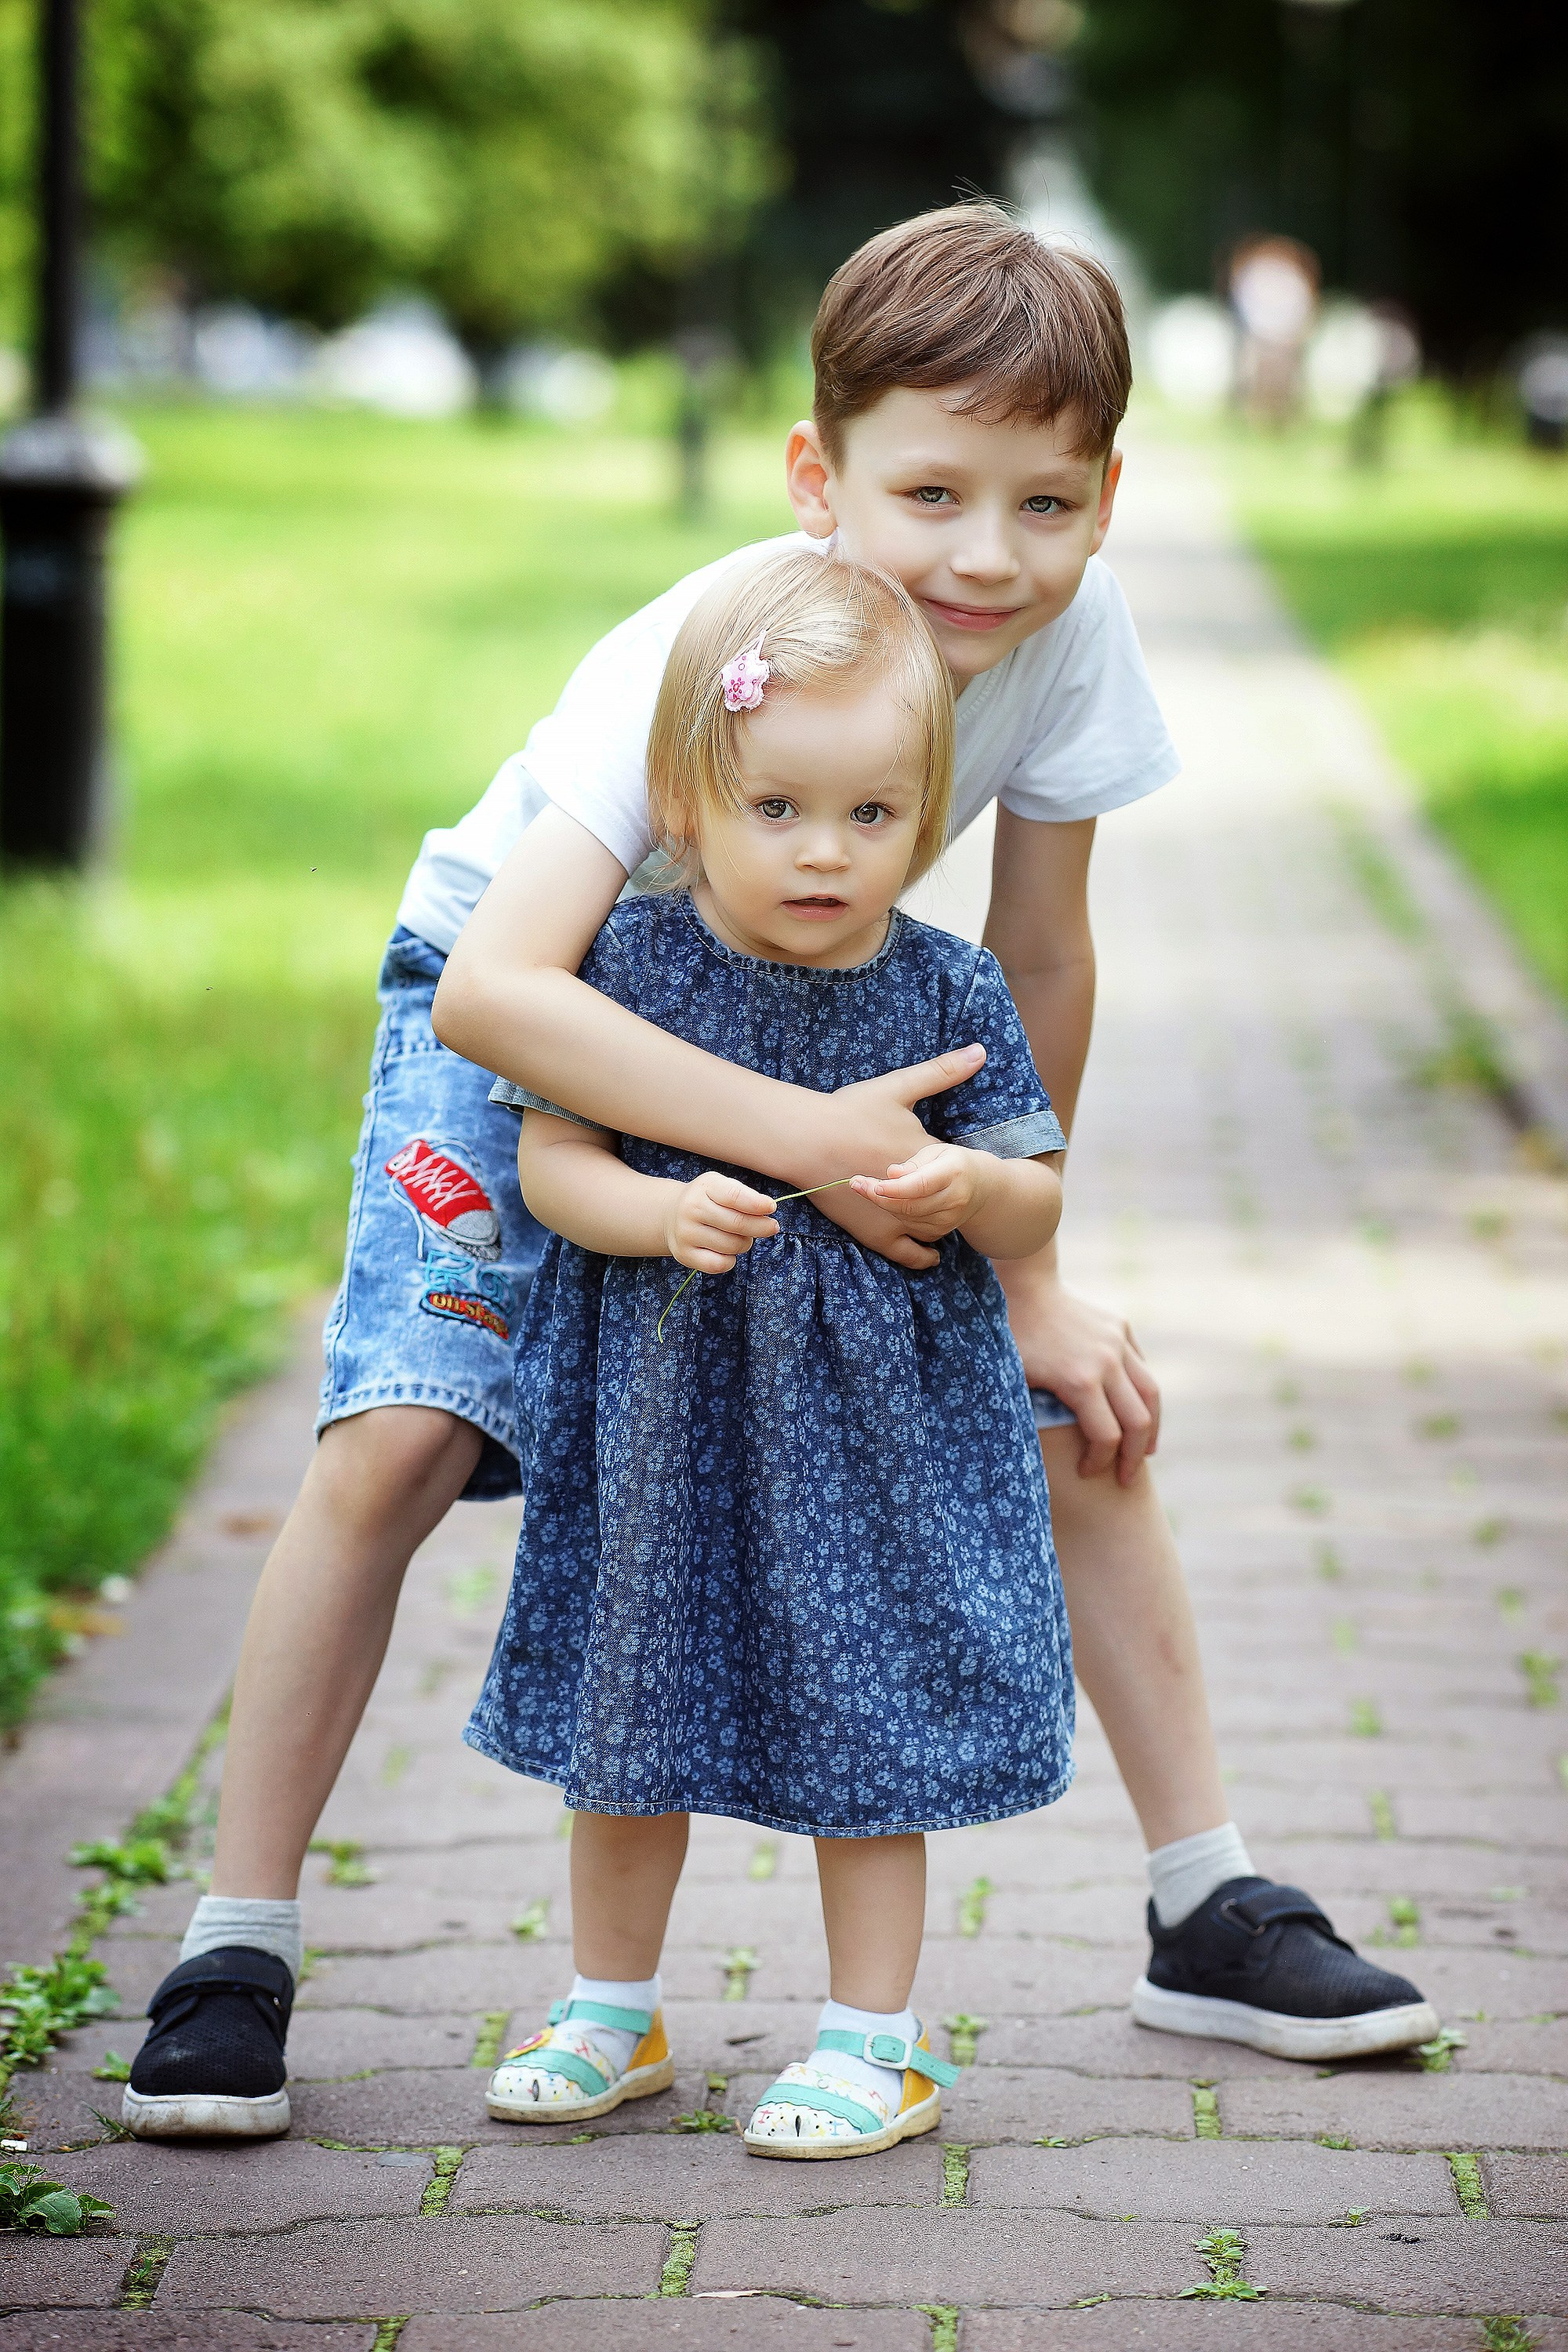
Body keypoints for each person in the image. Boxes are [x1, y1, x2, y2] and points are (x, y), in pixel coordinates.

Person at [124, 202, 1435, 2144]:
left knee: (1063, 1401)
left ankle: (1204, 1898)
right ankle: (234, 1945)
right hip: (546, 1005)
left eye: (1045, 503)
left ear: (1104, 499)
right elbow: (498, 988)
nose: (987, 556)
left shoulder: (1068, 639)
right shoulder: (705, 644)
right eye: (931, 492)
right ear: (819, 479)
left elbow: (1042, 956)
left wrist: (1024, 1262)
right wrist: (811, 1147)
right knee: (402, 1433)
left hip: (841, 1017)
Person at [472, 546, 1072, 2157]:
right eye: (779, 811)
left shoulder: (944, 987)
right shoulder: (637, 965)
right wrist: (648, 1222)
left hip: (875, 1445)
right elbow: (554, 1166)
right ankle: (613, 2007)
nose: (826, 854)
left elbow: (1032, 1203)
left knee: (867, 1735)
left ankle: (876, 2040)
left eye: (872, 818)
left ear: (923, 812)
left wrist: (974, 1189)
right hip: (670, 1428)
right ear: (686, 800)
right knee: (629, 1715)